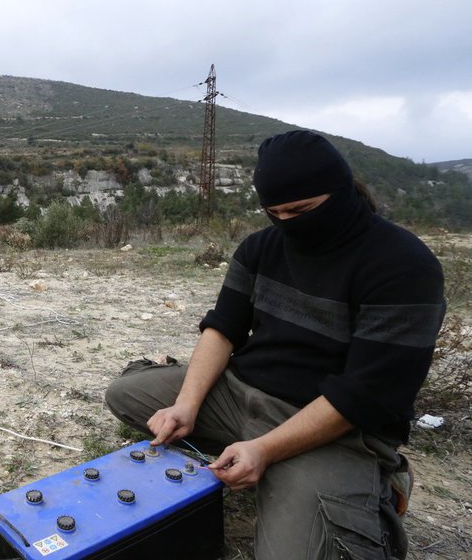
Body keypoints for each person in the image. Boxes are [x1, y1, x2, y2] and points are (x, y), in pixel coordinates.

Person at [105, 130, 446, 560]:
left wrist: (264, 449)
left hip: (335, 428)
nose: (287, 222)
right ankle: (268, 463)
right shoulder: (260, 247)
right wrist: (186, 405)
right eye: (274, 212)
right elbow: (222, 329)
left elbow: (363, 395)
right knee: (127, 394)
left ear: (342, 191)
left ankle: (373, 487)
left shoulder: (404, 266)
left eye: (301, 210)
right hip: (240, 397)